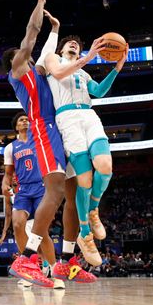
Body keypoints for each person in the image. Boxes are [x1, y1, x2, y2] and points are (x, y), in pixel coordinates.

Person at [1, 0, 103, 288]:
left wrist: (57, 30)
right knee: (57, 190)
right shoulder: (19, 71)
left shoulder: (44, 72)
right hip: (43, 130)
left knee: (76, 193)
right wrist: (39, 5)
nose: (29, 57)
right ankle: (28, 258)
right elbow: (32, 36)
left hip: (63, 127)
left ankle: (68, 262)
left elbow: (48, 54)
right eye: (24, 55)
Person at [39, 25, 127, 265]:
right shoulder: (53, 60)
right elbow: (58, 74)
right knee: (84, 180)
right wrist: (88, 57)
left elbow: (98, 92)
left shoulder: (84, 74)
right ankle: (85, 234)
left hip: (88, 115)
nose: (74, 44)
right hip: (67, 119)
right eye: (70, 43)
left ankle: (93, 210)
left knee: (105, 165)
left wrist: (117, 68)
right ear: (62, 48)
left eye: (77, 43)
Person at [1, 112, 95, 287]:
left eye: (27, 120)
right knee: (18, 225)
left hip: (42, 187)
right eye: (21, 120)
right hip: (23, 190)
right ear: (16, 127)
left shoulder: (40, 141)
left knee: (41, 231)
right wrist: (4, 185)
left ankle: (55, 270)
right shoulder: (10, 148)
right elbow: (8, 174)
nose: (25, 122)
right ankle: (29, 269)